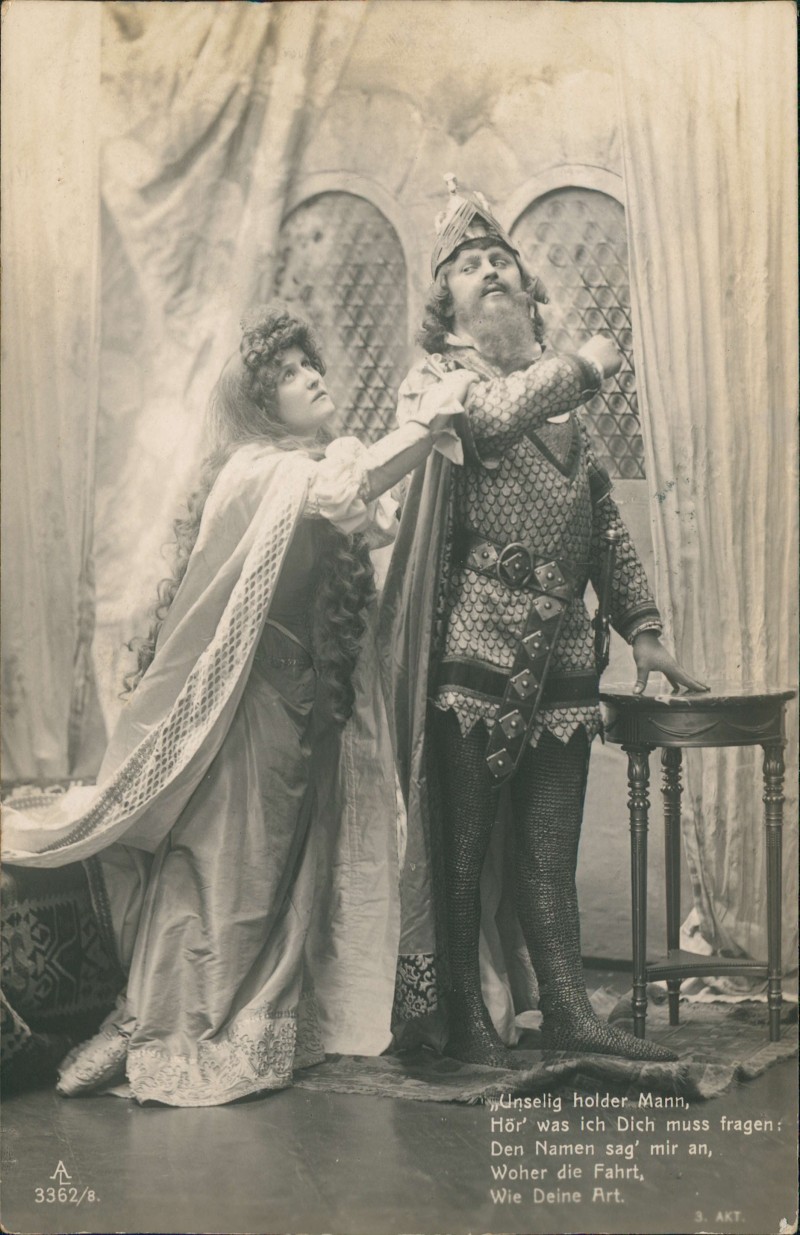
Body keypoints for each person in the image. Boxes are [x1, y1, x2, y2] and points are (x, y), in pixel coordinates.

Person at [2, 304, 460, 1106]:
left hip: (306, 705)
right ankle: (157, 1024)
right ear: (258, 404)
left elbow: (372, 511)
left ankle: (244, 1023)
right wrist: (430, 420)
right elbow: (349, 486)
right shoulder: (258, 472)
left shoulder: (309, 466)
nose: (310, 377)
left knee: (285, 873)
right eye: (286, 373)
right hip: (246, 707)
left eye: (309, 364)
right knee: (222, 865)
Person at [381, 179, 707, 1068]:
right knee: (462, 849)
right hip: (475, 647)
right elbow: (486, 422)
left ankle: (567, 1009)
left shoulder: (565, 409)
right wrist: (586, 366)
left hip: (565, 653)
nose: (490, 270)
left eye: (502, 262)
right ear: (444, 304)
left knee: (546, 848)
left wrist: (643, 628)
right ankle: (463, 1016)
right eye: (468, 266)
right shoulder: (439, 382)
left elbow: (604, 523)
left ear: (529, 294)